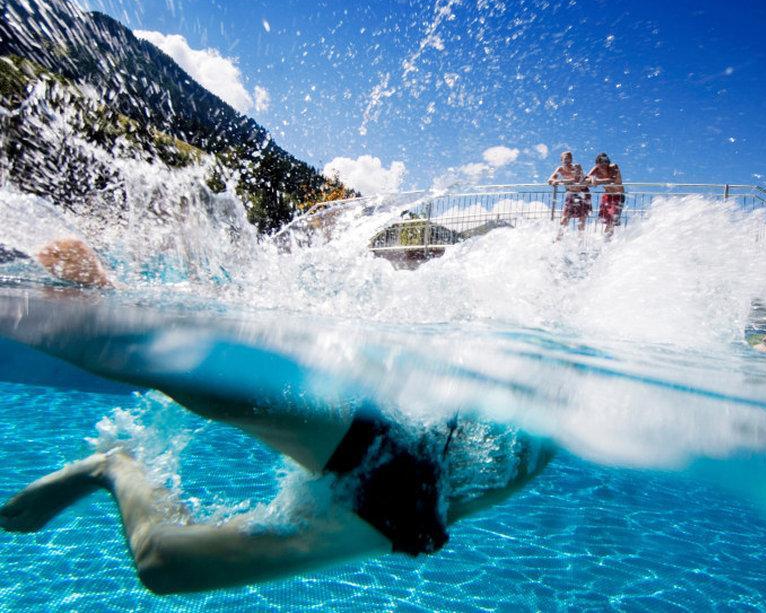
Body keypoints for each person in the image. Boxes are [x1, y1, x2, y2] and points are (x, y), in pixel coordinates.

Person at [1, 241, 555, 594]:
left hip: (413, 513)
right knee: (165, 365)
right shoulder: (524, 363)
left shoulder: (554, 404)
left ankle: (111, 466)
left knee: (164, 567)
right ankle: (104, 295)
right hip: (396, 437)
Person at [548, 151, 591, 237]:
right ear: (561, 159)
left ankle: (580, 242)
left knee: (582, 219)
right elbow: (550, 180)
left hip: (582, 194)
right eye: (566, 158)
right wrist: (555, 181)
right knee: (565, 218)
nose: (568, 160)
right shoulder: (560, 169)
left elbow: (576, 180)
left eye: (570, 158)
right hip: (571, 194)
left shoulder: (576, 167)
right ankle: (558, 239)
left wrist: (560, 181)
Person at [586, 153, 625, 238]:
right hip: (607, 196)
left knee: (612, 221)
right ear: (597, 163)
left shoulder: (613, 167)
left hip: (618, 196)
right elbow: (586, 179)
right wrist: (592, 179)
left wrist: (597, 181)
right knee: (604, 220)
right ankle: (605, 240)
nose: (604, 164)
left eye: (606, 161)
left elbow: (611, 179)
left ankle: (605, 242)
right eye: (601, 162)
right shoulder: (596, 169)